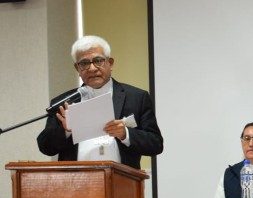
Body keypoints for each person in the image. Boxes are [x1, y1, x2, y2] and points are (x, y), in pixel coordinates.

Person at [37, 35, 163, 170]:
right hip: (75, 183)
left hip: (122, 183)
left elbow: (155, 144)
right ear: (77, 68)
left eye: (98, 60)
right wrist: (64, 131)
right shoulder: (63, 103)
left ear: (110, 63)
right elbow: (46, 147)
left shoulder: (136, 97)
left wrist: (125, 133)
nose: (92, 68)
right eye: (84, 63)